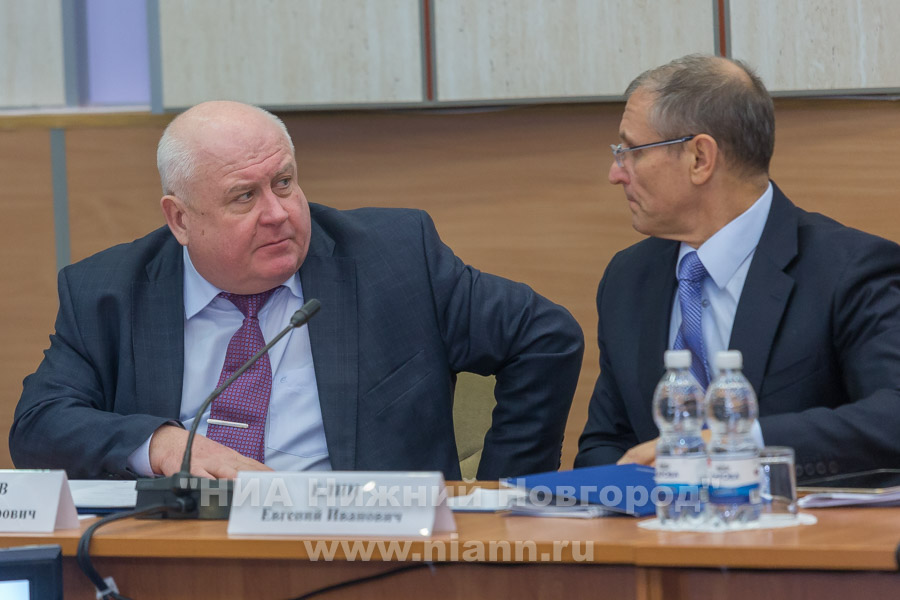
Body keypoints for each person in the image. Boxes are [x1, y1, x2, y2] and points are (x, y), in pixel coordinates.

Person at [11, 100, 584, 481]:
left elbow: (545, 336)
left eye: (284, 182)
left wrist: (501, 500)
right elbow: (39, 425)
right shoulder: (108, 291)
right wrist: (162, 444)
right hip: (179, 555)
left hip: (361, 555)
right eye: (244, 197)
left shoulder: (394, 259)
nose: (278, 213)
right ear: (180, 219)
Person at [574, 55, 900, 481]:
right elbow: (604, 444)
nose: (616, 173)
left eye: (631, 151)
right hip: (664, 520)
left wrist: (737, 444)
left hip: (793, 519)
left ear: (700, 158)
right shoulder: (628, 278)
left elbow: (892, 415)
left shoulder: (849, 270)